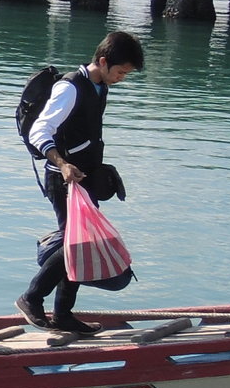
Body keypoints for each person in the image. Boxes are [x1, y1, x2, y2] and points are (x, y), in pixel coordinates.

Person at [17, 30, 145, 334]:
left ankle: (62, 314)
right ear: (102, 61)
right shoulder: (71, 87)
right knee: (78, 244)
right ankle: (31, 298)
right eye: (121, 72)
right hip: (62, 179)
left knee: (79, 245)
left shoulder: (99, 87)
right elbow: (39, 130)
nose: (122, 78)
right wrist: (62, 165)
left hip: (84, 181)